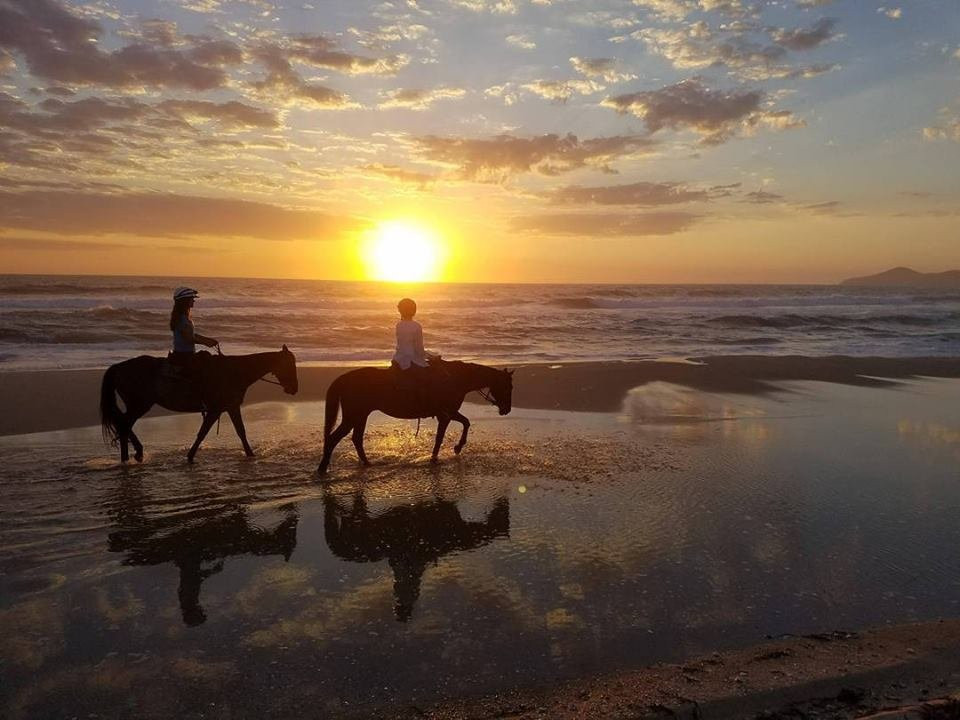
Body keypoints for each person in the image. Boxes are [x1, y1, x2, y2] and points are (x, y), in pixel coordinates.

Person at [391, 298, 435, 412]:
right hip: (412, 361)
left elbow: (402, 345)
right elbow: (419, 350)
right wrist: (431, 356)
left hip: (398, 359)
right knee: (431, 379)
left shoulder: (399, 325)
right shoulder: (416, 326)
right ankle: (425, 406)